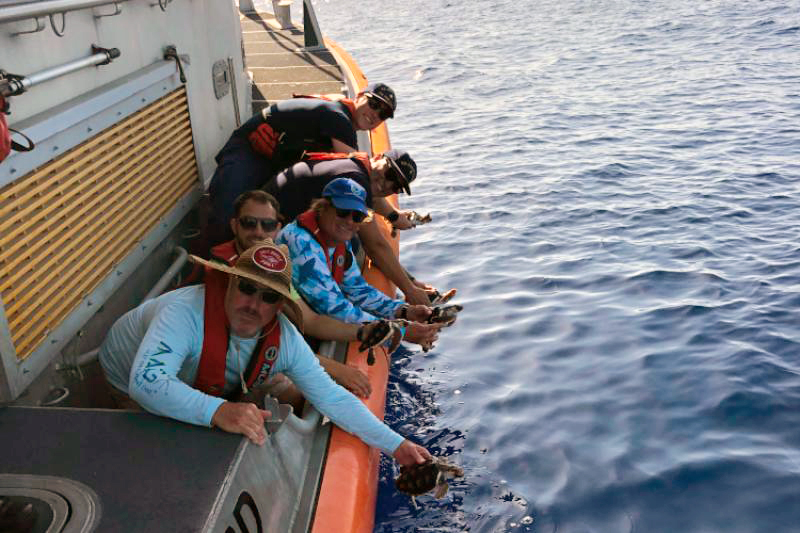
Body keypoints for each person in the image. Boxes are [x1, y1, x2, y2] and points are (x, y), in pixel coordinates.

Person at [98, 239, 431, 465]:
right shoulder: (184, 313)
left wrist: (397, 446)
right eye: (246, 288)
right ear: (228, 283)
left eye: (269, 297)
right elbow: (147, 383)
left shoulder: (284, 339)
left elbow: (332, 397)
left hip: (204, 377)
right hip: (125, 378)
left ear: (280, 307)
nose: (254, 305)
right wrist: (219, 411)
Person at [192, 189, 441, 396]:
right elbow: (260, 344)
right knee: (304, 392)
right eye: (249, 223)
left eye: (357, 217)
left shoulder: (274, 264)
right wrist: (397, 333)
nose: (258, 231)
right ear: (234, 225)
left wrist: (401, 313)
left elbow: (316, 316)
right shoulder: (234, 271)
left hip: (239, 361)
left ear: (276, 228)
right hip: (208, 370)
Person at [207, 83, 397, 245]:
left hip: (274, 159)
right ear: (359, 96)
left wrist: (392, 215)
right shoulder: (339, 120)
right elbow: (359, 175)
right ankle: (204, 267)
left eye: (383, 114)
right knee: (227, 215)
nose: (375, 114)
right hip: (249, 150)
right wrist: (393, 216)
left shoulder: (342, 117)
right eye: (373, 104)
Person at [266, 150, 438, 305]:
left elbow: (372, 197)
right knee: (354, 243)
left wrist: (393, 216)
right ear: (378, 157)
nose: (388, 184)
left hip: (275, 211)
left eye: (396, 187)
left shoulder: (356, 167)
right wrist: (410, 290)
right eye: (390, 173)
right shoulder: (356, 179)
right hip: (268, 229)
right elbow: (375, 246)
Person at [276, 178, 432, 324]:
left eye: (358, 216)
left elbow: (357, 290)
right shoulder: (300, 242)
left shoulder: (337, 238)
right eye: (342, 212)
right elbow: (333, 308)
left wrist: (404, 311)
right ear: (322, 207)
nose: (350, 221)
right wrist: (401, 330)